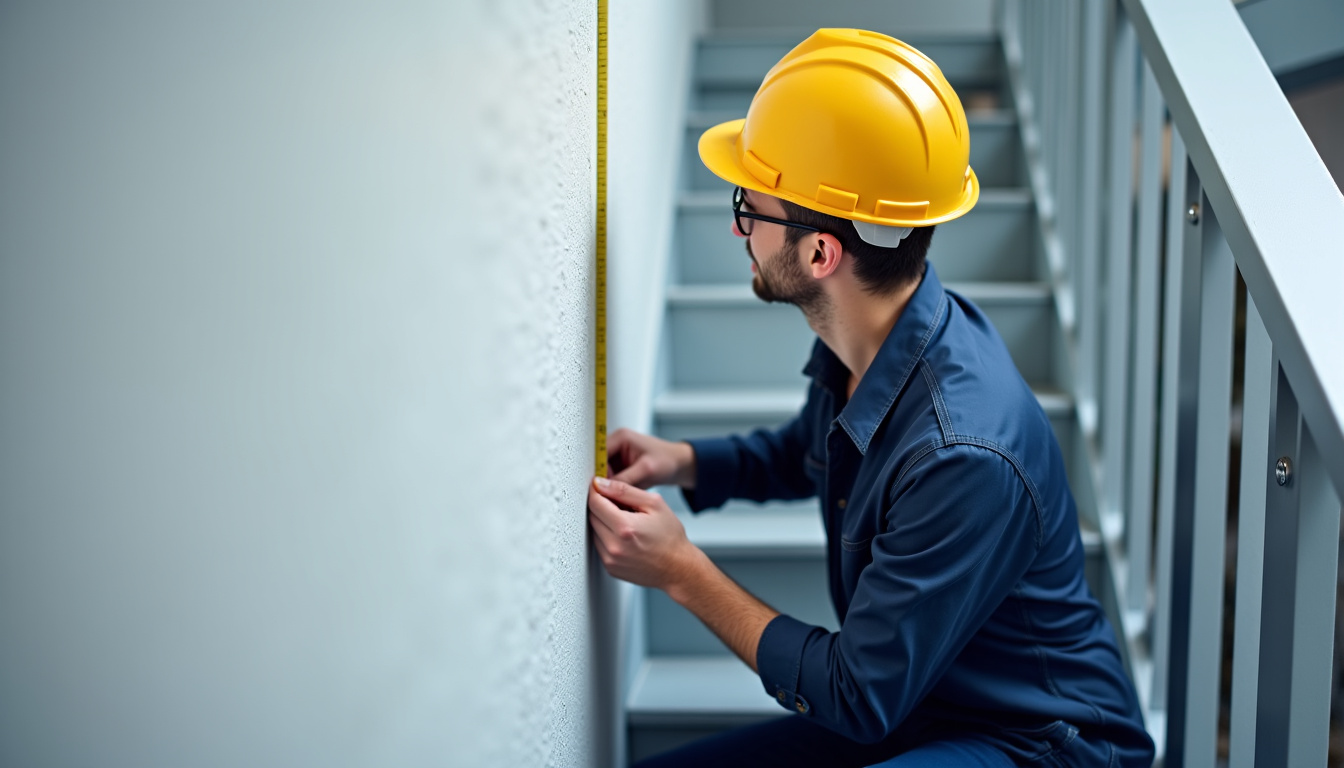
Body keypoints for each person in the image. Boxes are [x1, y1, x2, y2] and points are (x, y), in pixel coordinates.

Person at [586, 29, 1155, 767]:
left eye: (748, 205)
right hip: (925, 702)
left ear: (822, 253)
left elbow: (856, 693)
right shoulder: (876, 333)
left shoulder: (964, 453)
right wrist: (686, 461)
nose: (736, 226)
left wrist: (681, 572)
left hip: (1040, 742)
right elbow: (809, 452)